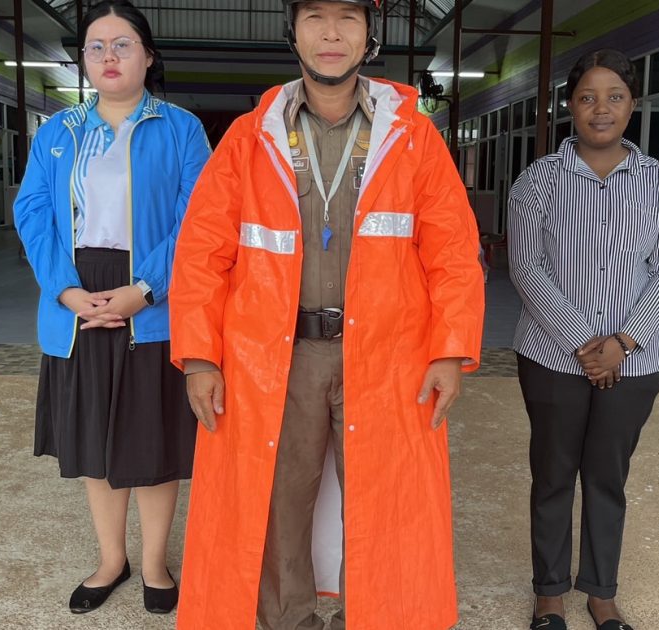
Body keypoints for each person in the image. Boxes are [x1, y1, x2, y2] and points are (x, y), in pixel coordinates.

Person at [168, 1, 485, 628]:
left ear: (370, 36)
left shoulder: (413, 137)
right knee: (279, 497)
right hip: (278, 356)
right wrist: (200, 356)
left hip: (388, 354)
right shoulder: (249, 138)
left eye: (348, 17)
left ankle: (376, 618)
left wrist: (450, 350)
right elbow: (203, 252)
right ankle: (289, 619)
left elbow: (452, 250)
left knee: (384, 496)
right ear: (293, 32)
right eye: (315, 16)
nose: (332, 34)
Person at [12, 0, 209, 616]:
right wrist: (65, 291)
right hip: (77, 296)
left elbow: (198, 220)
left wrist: (145, 289)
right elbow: (32, 212)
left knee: (151, 441)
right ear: (84, 61)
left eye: (122, 44)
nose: (108, 56)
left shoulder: (181, 129)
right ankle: (110, 560)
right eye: (95, 47)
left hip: (150, 297)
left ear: (148, 56)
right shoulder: (58, 131)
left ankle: (153, 563)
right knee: (94, 442)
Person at [507, 49, 659, 630]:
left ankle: (601, 593)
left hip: (635, 363)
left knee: (609, 479)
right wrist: (585, 343)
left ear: (633, 105)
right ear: (570, 106)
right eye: (587, 97)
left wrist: (623, 342)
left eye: (614, 96)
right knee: (553, 474)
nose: (600, 108)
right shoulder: (538, 180)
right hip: (551, 358)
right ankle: (550, 594)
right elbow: (526, 267)